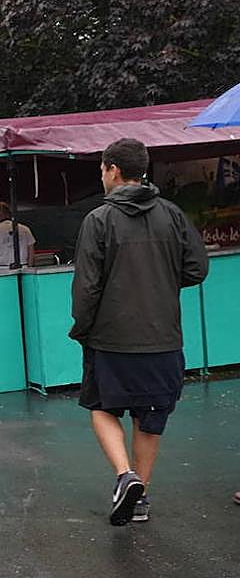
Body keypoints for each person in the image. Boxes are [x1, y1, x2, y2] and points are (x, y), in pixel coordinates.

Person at [70, 137, 208, 525]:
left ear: (113, 170)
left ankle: (124, 475)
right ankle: (140, 496)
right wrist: (161, 281)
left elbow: (87, 287)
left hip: (111, 338)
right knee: (150, 416)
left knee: (101, 407)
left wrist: (82, 327)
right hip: (164, 338)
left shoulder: (99, 220)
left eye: (102, 169)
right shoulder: (172, 214)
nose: (102, 176)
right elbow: (197, 268)